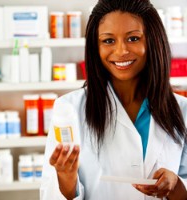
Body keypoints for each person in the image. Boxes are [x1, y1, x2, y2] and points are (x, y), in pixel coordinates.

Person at [40, 0, 187, 199]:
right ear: (95, 47)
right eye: (108, 41)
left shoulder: (182, 109)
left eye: (133, 38)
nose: (121, 51)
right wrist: (66, 178)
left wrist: (176, 185)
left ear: (153, 40)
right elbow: (49, 194)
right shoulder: (70, 109)